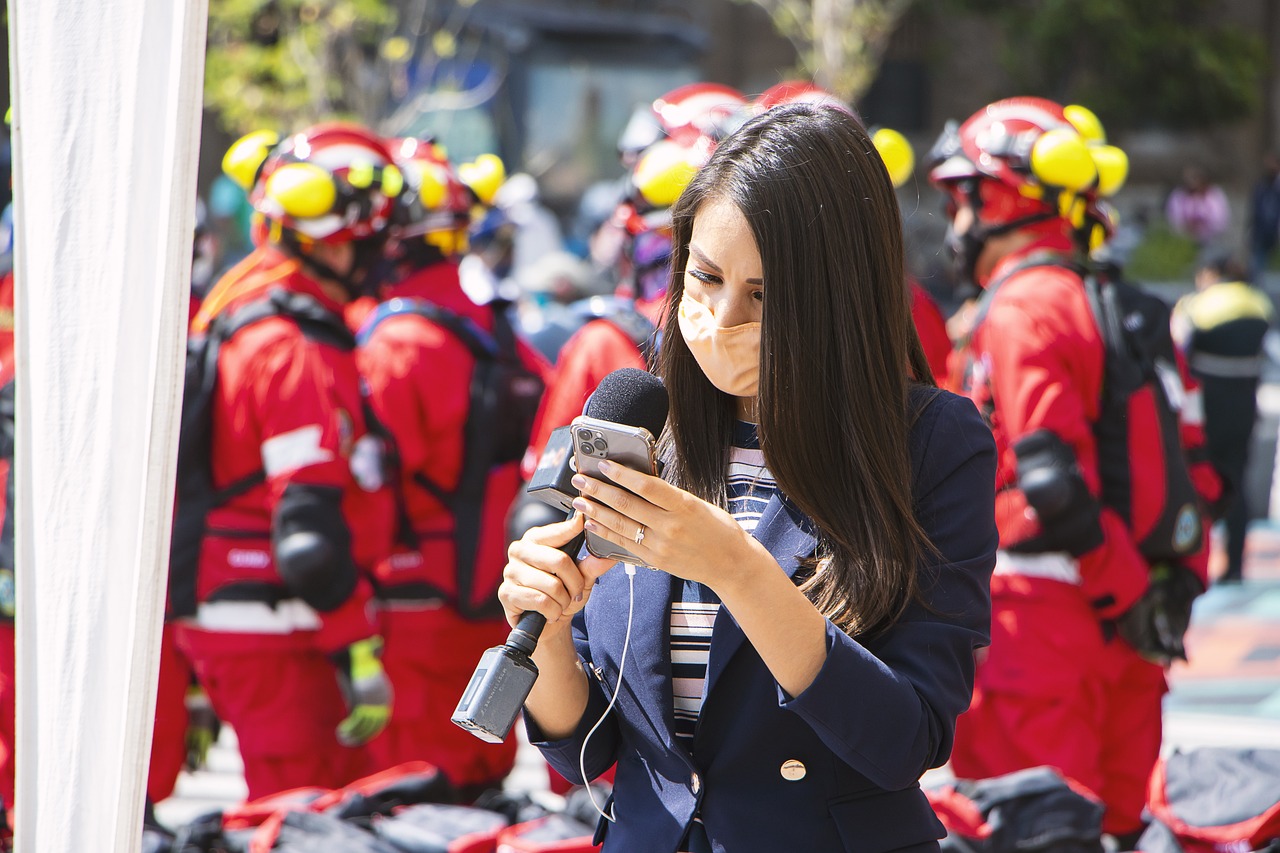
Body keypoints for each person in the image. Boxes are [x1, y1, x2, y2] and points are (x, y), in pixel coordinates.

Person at [499, 103, 997, 852]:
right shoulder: (646, 426)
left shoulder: (931, 442)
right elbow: (587, 752)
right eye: (704, 276)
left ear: (839, 296)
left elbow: (905, 739)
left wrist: (737, 569)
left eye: (764, 294)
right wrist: (547, 630)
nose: (723, 316)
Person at [929, 97, 1206, 844]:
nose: (957, 223)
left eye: (962, 199)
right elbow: (1199, 469)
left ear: (1002, 199)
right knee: (1115, 829)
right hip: (1134, 623)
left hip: (1036, 628)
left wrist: (1121, 588)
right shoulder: (1127, 305)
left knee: (1028, 827)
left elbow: (1048, 476)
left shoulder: (1023, 307)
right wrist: (1153, 593)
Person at [175, 123, 398, 800]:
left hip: (254, 612)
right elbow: (306, 532)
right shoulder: (291, 348)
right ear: (332, 241)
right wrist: (356, 647)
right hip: (276, 620)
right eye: (370, 242)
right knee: (300, 816)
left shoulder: (246, 311)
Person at [354, 136, 550, 797]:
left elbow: (369, 490)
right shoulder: (496, 326)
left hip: (412, 608)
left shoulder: (396, 343)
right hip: (490, 596)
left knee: (409, 801)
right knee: (478, 786)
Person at [1172, 254, 1274, 583]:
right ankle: (1234, 567)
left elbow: (1177, 352)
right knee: (1236, 483)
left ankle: (1192, 563)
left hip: (1203, 410)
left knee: (1195, 481)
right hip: (1244, 408)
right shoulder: (1258, 303)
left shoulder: (1196, 305)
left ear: (1211, 274)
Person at [1166, 165, 1230, 262]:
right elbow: (1173, 218)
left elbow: (1220, 218)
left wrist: (1204, 226)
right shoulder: (1178, 195)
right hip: (1185, 240)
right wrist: (1186, 227)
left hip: (1210, 241)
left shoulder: (1213, 194)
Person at [1248, 153, 1280, 284]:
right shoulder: (1261, 185)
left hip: (1275, 230)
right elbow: (1254, 210)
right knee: (1257, 266)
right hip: (1261, 232)